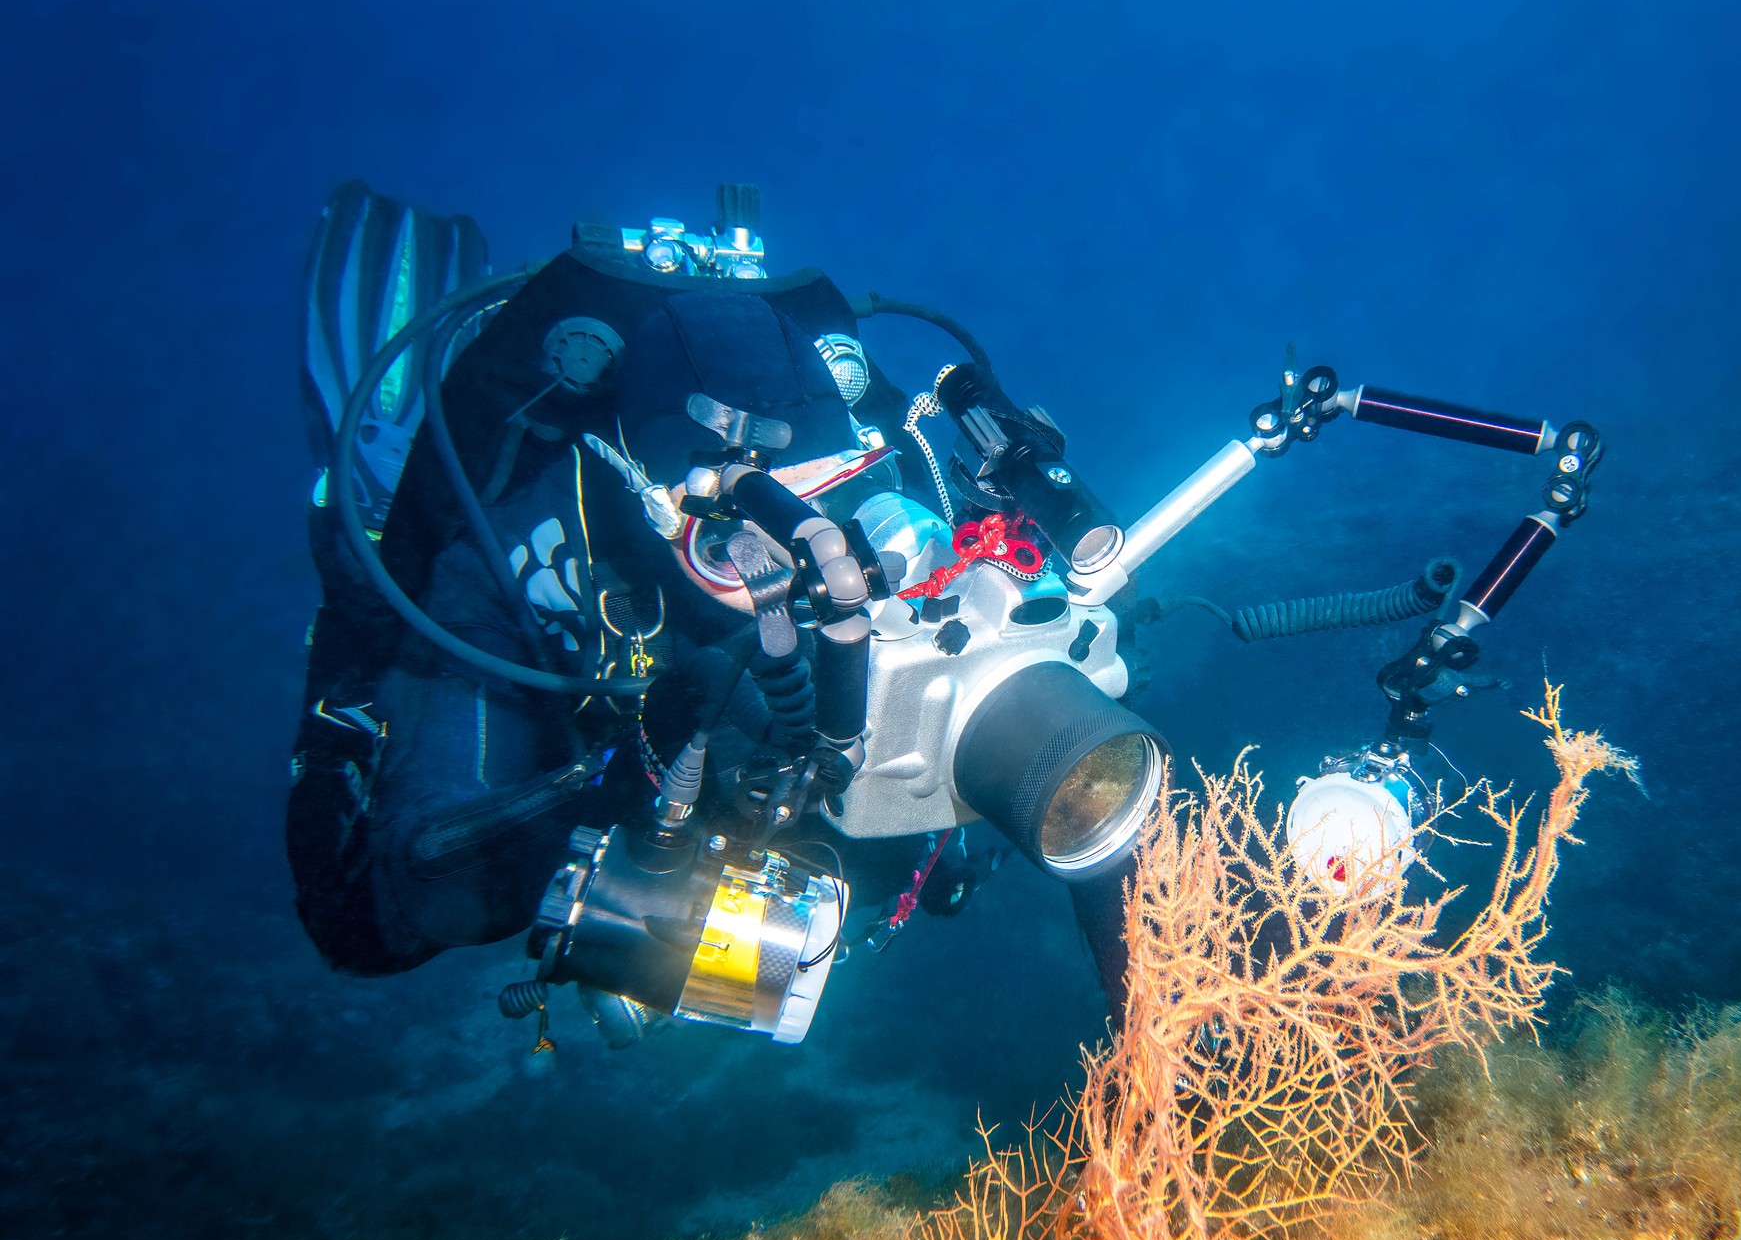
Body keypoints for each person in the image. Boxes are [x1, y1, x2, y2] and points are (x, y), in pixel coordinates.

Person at [286, 183, 1134, 1040]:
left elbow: (1094, 769)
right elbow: (403, 899)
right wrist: (652, 755)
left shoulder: (904, 504)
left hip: (818, 829)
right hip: (617, 763)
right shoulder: (524, 561)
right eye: (733, 547)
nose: (817, 571)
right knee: (385, 930)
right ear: (651, 510)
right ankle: (366, 484)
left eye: (843, 510)